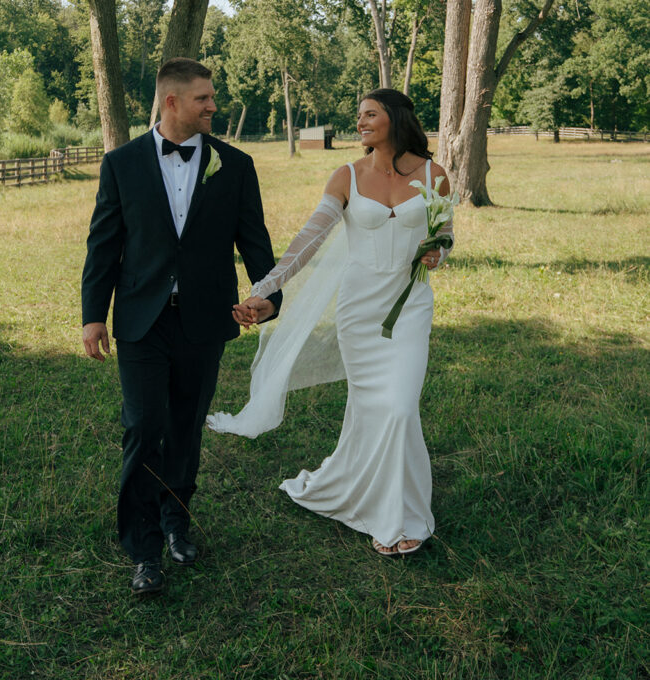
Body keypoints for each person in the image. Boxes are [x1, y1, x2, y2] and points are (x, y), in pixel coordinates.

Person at [221, 88, 454, 556]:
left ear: (394, 117)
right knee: (374, 408)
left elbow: (445, 235)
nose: (361, 122)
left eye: (370, 114)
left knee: (402, 408)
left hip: (408, 307)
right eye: (360, 115)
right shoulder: (346, 176)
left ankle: (402, 512)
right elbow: (308, 241)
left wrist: (438, 252)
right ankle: (381, 510)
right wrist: (263, 289)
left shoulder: (435, 174)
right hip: (360, 312)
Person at [81, 58, 281, 594]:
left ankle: (176, 523)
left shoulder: (235, 166)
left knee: (186, 430)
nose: (213, 106)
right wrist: (93, 315)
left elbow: (255, 243)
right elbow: (104, 245)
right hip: (142, 322)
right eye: (203, 99)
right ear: (172, 102)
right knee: (144, 429)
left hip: (204, 320)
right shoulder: (121, 164)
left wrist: (267, 296)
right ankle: (143, 550)